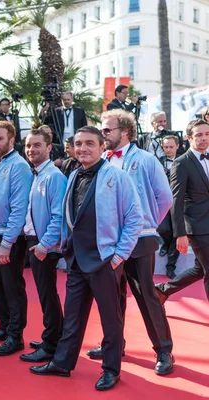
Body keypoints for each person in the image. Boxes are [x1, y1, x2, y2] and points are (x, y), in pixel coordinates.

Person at [29, 126, 143, 391]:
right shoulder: (72, 176)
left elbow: (135, 218)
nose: (83, 149)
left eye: (90, 143)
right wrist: (59, 245)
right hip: (76, 260)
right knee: (72, 317)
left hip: (104, 260)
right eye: (79, 144)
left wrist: (119, 256)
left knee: (110, 319)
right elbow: (69, 217)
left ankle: (111, 370)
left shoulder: (117, 176)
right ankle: (62, 363)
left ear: (102, 146)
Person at [87, 109, 174, 376]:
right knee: (111, 298)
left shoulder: (146, 160)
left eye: (107, 130)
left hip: (140, 240)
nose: (103, 134)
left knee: (146, 296)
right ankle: (114, 344)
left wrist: (146, 225)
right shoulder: (101, 162)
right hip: (109, 241)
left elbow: (165, 199)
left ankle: (163, 349)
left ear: (124, 131)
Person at [0, 121, 33, 354]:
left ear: (12, 140)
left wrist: (7, 242)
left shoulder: (19, 166)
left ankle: (16, 335)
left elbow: (19, 208)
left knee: (12, 287)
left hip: (8, 239)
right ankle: (4, 326)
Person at [20, 129, 67, 363]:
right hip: (36, 242)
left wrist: (44, 245)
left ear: (49, 148)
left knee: (47, 295)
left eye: (37, 145)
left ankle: (51, 345)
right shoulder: (38, 174)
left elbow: (58, 216)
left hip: (43, 245)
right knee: (46, 294)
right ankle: (54, 337)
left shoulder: (53, 176)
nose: (31, 150)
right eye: (28, 145)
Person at [156, 118, 209, 303]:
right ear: (189, 138)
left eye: (207, 134)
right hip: (196, 226)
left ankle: (163, 290)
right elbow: (175, 200)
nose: (204, 138)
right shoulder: (181, 163)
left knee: (200, 269)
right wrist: (180, 234)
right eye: (199, 135)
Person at [157, 136, 180, 279]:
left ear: (177, 146)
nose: (168, 150)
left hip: (180, 202)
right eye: (166, 147)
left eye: (171, 147)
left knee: (177, 233)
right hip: (163, 201)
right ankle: (165, 244)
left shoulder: (184, 161)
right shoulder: (158, 162)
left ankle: (170, 266)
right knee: (164, 229)